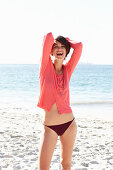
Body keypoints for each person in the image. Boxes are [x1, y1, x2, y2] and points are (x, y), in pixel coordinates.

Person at [37, 32, 83, 170]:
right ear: (51, 50)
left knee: (66, 164)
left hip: (69, 125)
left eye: (63, 47)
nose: (59, 49)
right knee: (43, 167)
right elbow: (48, 37)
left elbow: (79, 46)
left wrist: (66, 41)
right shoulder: (45, 67)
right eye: (56, 46)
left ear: (67, 51)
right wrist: (58, 41)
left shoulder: (68, 69)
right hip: (50, 127)